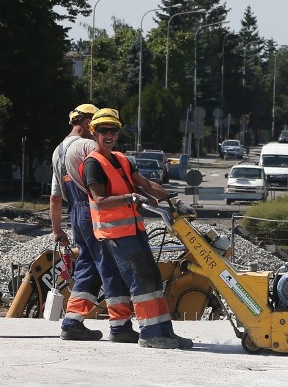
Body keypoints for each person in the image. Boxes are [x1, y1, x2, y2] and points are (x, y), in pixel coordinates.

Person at [81, 108, 192, 350]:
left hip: (134, 229)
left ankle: (165, 331)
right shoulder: (92, 164)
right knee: (140, 280)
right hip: (116, 234)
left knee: (153, 277)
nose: (109, 135)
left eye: (113, 130)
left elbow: (146, 183)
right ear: (93, 133)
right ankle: (150, 333)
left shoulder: (121, 159)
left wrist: (171, 200)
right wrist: (130, 197)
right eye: (103, 131)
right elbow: (99, 199)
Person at [50, 103, 137, 342]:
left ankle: (72, 322)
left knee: (88, 266)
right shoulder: (88, 145)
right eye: (96, 123)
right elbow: (112, 174)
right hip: (94, 210)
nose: (102, 130)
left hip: (76, 213)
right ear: (87, 122)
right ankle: (120, 325)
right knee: (110, 264)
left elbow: (56, 195)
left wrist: (57, 228)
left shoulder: (58, 151)